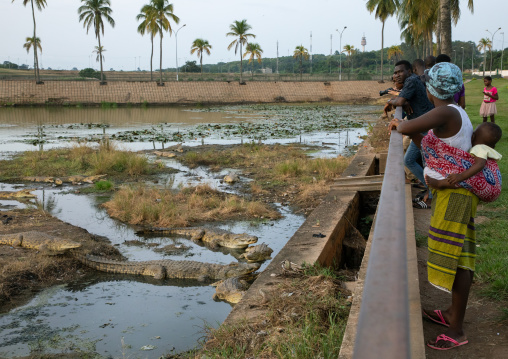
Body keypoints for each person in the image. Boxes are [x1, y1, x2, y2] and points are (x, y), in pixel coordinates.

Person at [389, 62, 483, 350]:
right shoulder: (456, 112)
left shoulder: (443, 111)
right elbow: (430, 146)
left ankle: (456, 331)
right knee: (458, 254)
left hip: (454, 195)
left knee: (455, 258)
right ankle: (453, 314)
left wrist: (398, 124)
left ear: (431, 89)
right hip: (456, 194)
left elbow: (406, 125)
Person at [384, 60, 434, 208]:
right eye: (395, 72)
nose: (397, 75)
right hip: (419, 126)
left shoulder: (411, 80)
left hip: (425, 126)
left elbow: (399, 101)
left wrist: (391, 100)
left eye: (400, 72)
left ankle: (431, 196)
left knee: (426, 163)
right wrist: (402, 102)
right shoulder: (411, 81)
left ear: (409, 71)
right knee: (409, 160)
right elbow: (401, 100)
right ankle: (430, 189)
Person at [424, 122, 502, 202]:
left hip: (490, 191)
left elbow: (480, 164)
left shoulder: (479, 148)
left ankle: (440, 184)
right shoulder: (489, 150)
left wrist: (460, 176)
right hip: (495, 188)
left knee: (466, 178)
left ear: (473, 137)